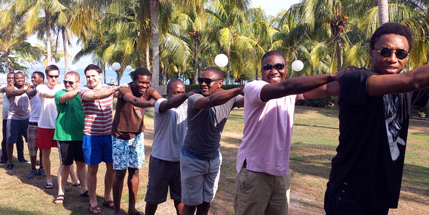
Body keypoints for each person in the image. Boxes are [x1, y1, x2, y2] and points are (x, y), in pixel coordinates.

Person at [324, 23, 429, 214]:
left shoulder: (405, 90)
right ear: (372, 53)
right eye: (385, 51)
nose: (393, 59)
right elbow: (416, 79)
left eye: (401, 54)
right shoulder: (356, 79)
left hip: (380, 193)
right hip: (349, 194)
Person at [234, 51, 339, 215]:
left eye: (279, 66)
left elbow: (328, 89)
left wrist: (358, 77)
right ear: (261, 70)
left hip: (280, 172)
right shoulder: (254, 87)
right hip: (255, 171)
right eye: (267, 67)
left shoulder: (291, 92)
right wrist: (333, 75)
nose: (273, 71)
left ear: (286, 69)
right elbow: (287, 86)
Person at [181, 67, 244, 215]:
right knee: (190, 205)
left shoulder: (230, 98)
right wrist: (240, 88)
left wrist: (259, 91)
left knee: (205, 204)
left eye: (208, 81)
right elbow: (209, 102)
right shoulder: (195, 98)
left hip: (213, 159)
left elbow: (248, 101)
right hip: (192, 159)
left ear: (220, 83)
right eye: (201, 80)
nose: (203, 84)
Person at [112, 68, 162, 215]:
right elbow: (133, 100)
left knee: (134, 172)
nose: (144, 86)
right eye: (140, 82)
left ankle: (132, 209)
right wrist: (154, 105)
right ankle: (116, 210)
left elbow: (161, 100)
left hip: (137, 136)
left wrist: (168, 103)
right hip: (120, 136)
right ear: (134, 81)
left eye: (147, 83)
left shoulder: (149, 91)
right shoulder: (125, 89)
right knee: (120, 174)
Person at [144, 79, 196, 215]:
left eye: (182, 92)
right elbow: (168, 104)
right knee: (153, 199)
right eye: (176, 92)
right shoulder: (160, 103)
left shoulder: (187, 106)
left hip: (181, 161)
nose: (180, 95)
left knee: (180, 199)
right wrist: (185, 96)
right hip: (160, 160)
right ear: (167, 93)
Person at [79, 64, 119, 214]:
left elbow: (126, 96)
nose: (90, 79)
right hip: (91, 136)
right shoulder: (84, 90)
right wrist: (115, 89)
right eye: (88, 76)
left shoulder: (108, 89)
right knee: (93, 169)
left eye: (93, 76)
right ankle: (93, 199)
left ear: (100, 75)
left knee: (112, 167)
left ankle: (107, 197)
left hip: (109, 135)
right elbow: (93, 96)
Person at [53, 71, 88, 204]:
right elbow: (64, 98)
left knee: (81, 163)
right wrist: (80, 90)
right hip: (64, 135)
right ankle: (61, 192)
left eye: (71, 82)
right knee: (65, 164)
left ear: (77, 82)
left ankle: (84, 188)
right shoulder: (60, 93)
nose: (67, 84)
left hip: (81, 135)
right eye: (65, 81)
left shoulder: (83, 95)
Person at [29, 65, 64, 189]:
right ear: (46, 76)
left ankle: (74, 178)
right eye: (51, 76)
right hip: (44, 125)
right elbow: (47, 94)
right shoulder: (41, 87)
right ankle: (49, 178)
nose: (54, 79)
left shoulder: (63, 86)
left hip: (60, 125)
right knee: (45, 153)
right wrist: (63, 92)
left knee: (64, 154)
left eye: (56, 76)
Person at [4, 72, 30, 171]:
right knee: (10, 141)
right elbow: (13, 93)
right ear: (14, 80)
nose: (20, 80)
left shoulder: (28, 88)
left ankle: (33, 160)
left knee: (31, 141)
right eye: (17, 78)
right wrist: (25, 89)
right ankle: (10, 162)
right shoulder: (11, 88)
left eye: (22, 78)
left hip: (26, 117)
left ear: (24, 78)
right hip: (13, 118)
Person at [0, 72, 26, 165]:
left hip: (19, 117)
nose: (10, 79)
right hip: (7, 117)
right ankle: (4, 158)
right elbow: (5, 90)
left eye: (12, 78)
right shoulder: (6, 87)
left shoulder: (20, 86)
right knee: (7, 139)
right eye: (8, 78)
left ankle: (21, 157)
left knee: (19, 139)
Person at [25, 71, 45, 179]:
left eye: (35, 77)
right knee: (32, 148)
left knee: (43, 148)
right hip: (32, 123)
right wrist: (39, 87)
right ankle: (33, 168)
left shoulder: (47, 89)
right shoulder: (30, 89)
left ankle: (42, 168)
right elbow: (30, 93)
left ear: (41, 78)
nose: (32, 79)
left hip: (43, 124)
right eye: (31, 78)